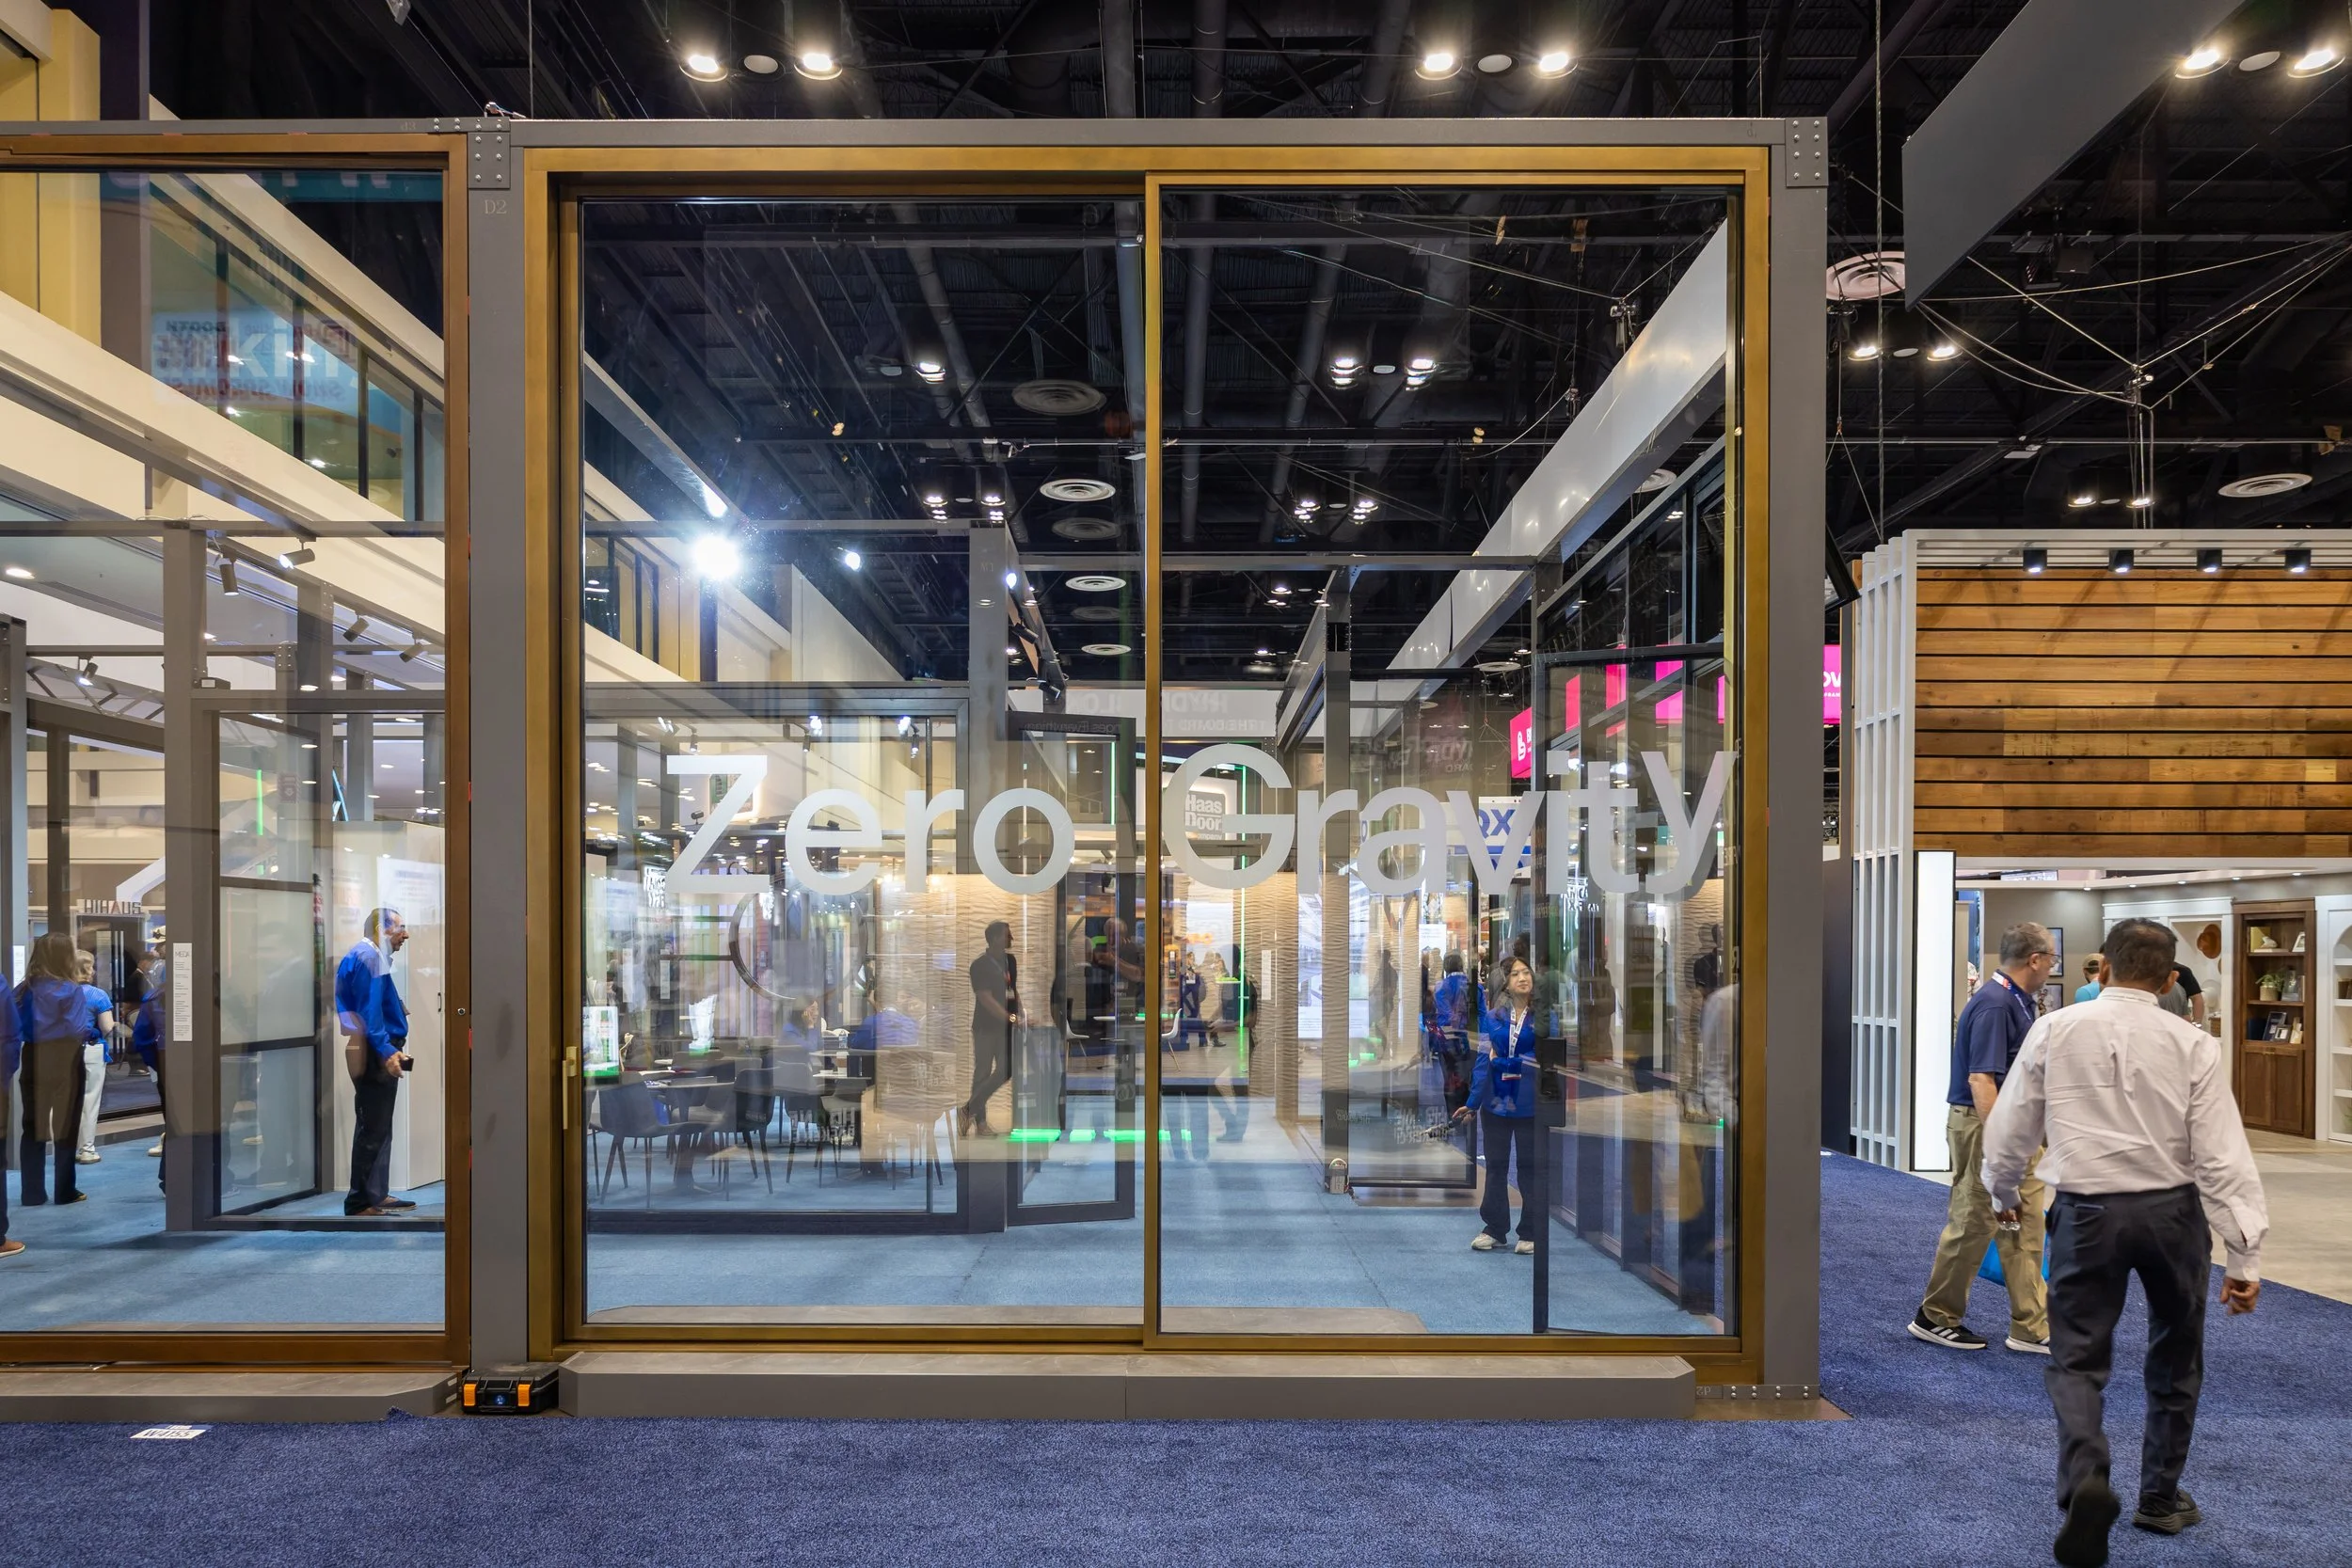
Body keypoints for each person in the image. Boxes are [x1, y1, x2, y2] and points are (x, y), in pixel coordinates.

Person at [1983, 918, 2268, 1567]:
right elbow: (2222, 1154)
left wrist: (2002, 1194)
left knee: (2077, 1360)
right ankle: (2161, 1498)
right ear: (2170, 980)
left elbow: (2011, 1124)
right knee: (2176, 1355)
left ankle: (2087, 1476)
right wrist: (2245, 1253)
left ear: (2102, 969)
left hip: (2085, 1213)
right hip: (2175, 1216)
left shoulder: (2054, 1028)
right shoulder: (2194, 1042)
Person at [1909, 921, 2057, 1354]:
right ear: (2034, 959)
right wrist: (1999, 1152)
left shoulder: (2019, 1001)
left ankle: (2032, 1326)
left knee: (2026, 1225)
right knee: (1975, 1221)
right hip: (1985, 1127)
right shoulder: (1995, 1004)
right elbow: (1981, 1080)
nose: (2052, 966)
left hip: (2013, 1129)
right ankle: (1935, 1316)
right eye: (2051, 958)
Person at [1454, 955, 1544, 1255]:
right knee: (1495, 1166)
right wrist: (1471, 1103)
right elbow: (1482, 1061)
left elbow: (1551, 1060)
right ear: (1505, 981)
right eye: (1515, 973)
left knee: (1529, 1166)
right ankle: (1494, 1228)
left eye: (1526, 972)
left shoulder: (1545, 1016)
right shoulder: (1493, 1018)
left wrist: (1508, 1061)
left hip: (1530, 1101)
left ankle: (1530, 1230)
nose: (1523, 977)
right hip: (1496, 1101)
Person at [336, 908, 414, 1217]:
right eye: (401, 928)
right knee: (373, 1126)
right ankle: (359, 1202)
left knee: (379, 1125)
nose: (405, 935)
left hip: (376, 1048)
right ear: (382, 930)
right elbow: (369, 1014)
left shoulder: (367, 956)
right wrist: (388, 1052)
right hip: (376, 1051)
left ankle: (375, 1193)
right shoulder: (369, 958)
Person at [17, 933, 92, 1207]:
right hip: (65, 1057)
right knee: (66, 1124)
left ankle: (32, 1193)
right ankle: (64, 1190)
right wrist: (93, 1032)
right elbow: (76, 1029)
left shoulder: (23, 989)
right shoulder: (70, 989)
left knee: (32, 1126)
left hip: (32, 1056)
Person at [964, 921, 1018, 1135]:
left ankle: (968, 1109)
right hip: (985, 1028)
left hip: (1006, 1026)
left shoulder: (1010, 961)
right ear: (995, 938)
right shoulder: (979, 966)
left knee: (1006, 1069)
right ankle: (981, 1124)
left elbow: (1013, 990)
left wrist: (1019, 1014)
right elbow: (985, 999)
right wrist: (1011, 1018)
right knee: (983, 1072)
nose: (1010, 938)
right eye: (1007, 935)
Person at [71, 948, 115, 1166]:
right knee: (90, 1100)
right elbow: (107, 1027)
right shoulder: (98, 995)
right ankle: (86, 1149)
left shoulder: (60, 992)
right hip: (91, 1049)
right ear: (88, 969)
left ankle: (63, 1146)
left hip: (63, 1050)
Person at [1430, 952, 1474, 1117]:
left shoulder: (1442, 986)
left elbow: (1444, 1013)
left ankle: (1452, 1116)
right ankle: (1466, 1114)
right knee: (1464, 1076)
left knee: (1449, 1077)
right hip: (1464, 1037)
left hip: (1446, 1039)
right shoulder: (1471, 985)